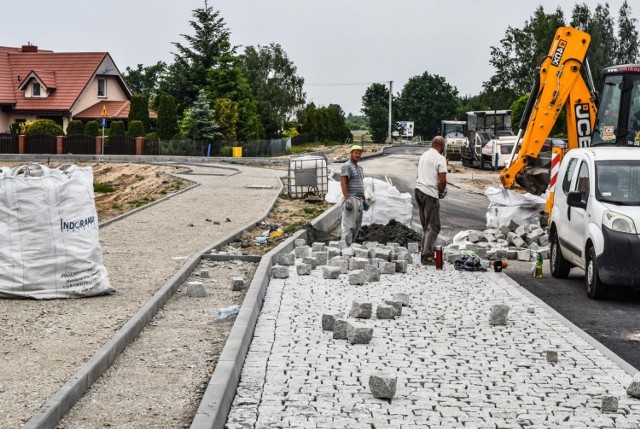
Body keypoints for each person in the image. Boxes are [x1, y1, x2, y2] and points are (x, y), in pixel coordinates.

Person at [415, 136, 447, 265]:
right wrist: (440, 191)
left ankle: (424, 249)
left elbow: (419, 174)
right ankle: (427, 255)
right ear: (442, 146)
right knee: (433, 226)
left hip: (418, 190)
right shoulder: (440, 158)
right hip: (429, 193)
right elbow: (443, 180)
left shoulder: (424, 155)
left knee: (425, 225)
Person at [340, 144, 368, 246]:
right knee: (349, 225)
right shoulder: (346, 166)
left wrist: (363, 199)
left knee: (357, 225)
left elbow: (360, 183)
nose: (358, 155)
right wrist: (347, 199)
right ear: (351, 153)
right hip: (351, 198)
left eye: (359, 153)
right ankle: (345, 248)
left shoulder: (360, 168)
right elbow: (343, 182)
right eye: (356, 153)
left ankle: (352, 246)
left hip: (359, 199)